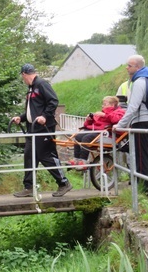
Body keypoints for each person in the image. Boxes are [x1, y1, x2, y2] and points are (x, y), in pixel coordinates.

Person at [12, 64, 72, 197]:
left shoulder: (41, 84)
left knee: (47, 156)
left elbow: (53, 101)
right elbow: (32, 110)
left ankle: (64, 183)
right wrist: (21, 118)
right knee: (29, 156)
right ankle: (28, 187)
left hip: (44, 128)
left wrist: (45, 116)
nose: (23, 80)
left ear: (24, 74)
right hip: (32, 129)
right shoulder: (31, 88)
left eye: (23, 77)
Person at [113, 55, 148, 196]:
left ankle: (144, 189)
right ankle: (146, 187)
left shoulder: (139, 82)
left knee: (141, 156)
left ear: (137, 67)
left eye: (129, 65)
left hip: (140, 122)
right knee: (147, 155)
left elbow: (132, 107)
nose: (127, 68)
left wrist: (119, 125)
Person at [67, 96, 125, 169]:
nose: (102, 106)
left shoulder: (120, 112)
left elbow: (115, 120)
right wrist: (89, 120)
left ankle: (83, 161)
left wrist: (105, 115)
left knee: (87, 138)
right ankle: (76, 159)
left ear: (112, 105)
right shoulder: (102, 113)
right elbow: (87, 125)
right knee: (78, 136)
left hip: (108, 134)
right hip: (97, 131)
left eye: (104, 104)